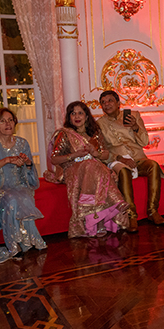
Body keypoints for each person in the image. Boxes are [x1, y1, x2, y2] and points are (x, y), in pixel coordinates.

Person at [47, 101, 130, 236]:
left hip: (93, 169)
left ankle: (100, 222)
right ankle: (116, 202)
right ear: (69, 117)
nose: (77, 116)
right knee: (94, 167)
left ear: (86, 116)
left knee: (95, 167)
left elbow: (105, 154)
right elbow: (54, 159)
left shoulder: (95, 133)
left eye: (80, 113)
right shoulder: (65, 134)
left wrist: (95, 153)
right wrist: (74, 155)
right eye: (73, 113)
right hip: (72, 169)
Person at [0, 108, 46, 265]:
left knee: (20, 196)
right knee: (11, 199)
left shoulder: (22, 143)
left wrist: (27, 164)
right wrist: (6, 160)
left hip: (18, 185)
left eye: (10, 119)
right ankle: (13, 246)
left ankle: (26, 241)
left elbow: (29, 176)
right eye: (2, 121)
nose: (7, 123)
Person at [98, 91, 164, 230]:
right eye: (103, 102)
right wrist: (119, 158)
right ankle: (131, 216)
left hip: (137, 157)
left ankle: (153, 211)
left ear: (118, 103)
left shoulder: (134, 116)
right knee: (124, 171)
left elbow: (144, 141)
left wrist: (135, 127)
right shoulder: (99, 124)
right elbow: (102, 151)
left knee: (153, 165)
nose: (107, 104)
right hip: (117, 159)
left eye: (110, 101)